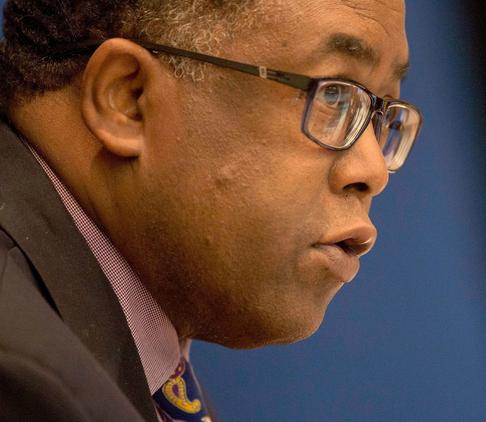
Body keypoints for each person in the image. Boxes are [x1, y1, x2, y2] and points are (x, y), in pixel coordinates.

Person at [0, 0, 422, 420]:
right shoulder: (26, 379)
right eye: (334, 94)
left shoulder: (135, 372)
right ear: (129, 99)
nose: (373, 170)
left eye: (381, 110)